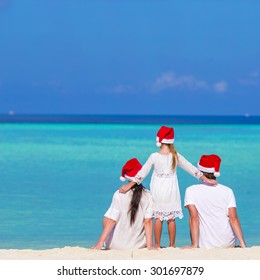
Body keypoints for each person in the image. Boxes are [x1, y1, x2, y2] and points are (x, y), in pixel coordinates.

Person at [119, 126, 216, 249]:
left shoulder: (154, 156)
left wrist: (130, 184)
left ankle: (158, 245)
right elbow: (190, 168)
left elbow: (142, 173)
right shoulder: (175, 155)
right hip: (171, 190)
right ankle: (172, 245)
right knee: (171, 218)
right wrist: (205, 179)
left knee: (158, 218)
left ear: (159, 141)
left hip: (158, 189)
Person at [184, 154, 246, 249]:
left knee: (193, 217)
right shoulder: (228, 191)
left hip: (205, 245)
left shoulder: (191, 190)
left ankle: (195, 244)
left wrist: (194, 245)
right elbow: (233, 218)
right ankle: (242, 243)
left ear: (200, 171)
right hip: (228, 243)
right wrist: (242, 244)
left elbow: (194, 218)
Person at [91, 158, 154, 250]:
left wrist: (99, 244)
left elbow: (112, 220)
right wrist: (150, 246)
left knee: (107, 218)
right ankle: (146, 244)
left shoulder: (119, 193)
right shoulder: (148, 195)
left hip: (116, 245)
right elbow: (147, 222)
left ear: (126, 177)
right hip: (138, 245)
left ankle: (103, 242)